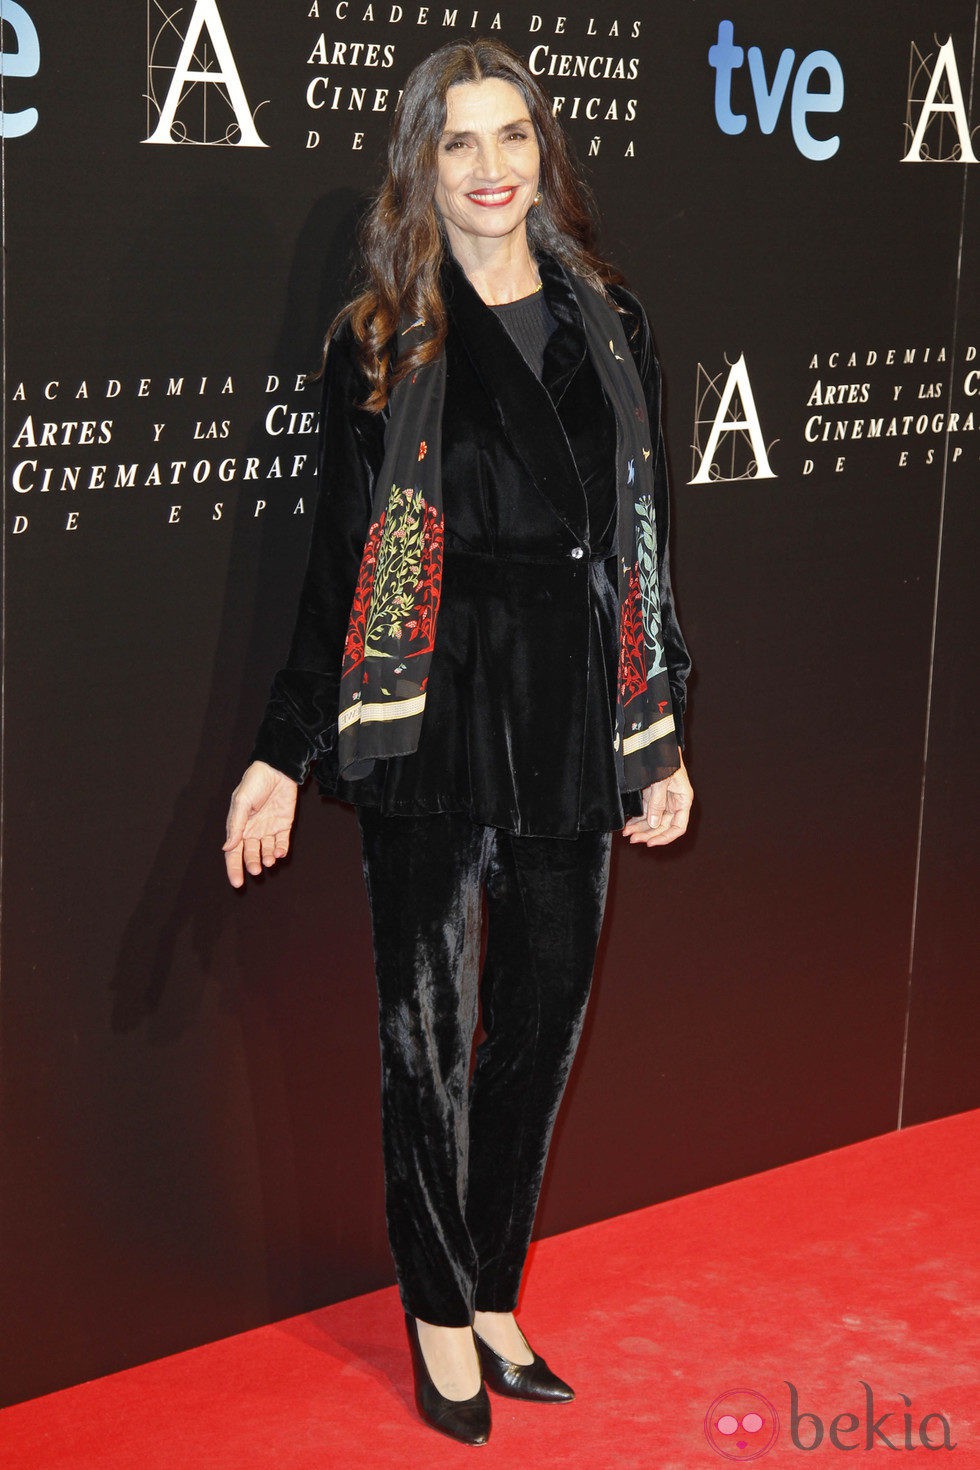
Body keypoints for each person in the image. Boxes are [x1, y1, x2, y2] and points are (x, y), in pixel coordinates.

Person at [223, 37, 693, 1447]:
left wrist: (658, 739)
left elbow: (649, 544)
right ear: (421, 167)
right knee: (423, 1037)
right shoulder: (383, 339)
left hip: (570, 717)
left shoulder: (613, 321)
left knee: (540, 1026)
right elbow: (337, 561)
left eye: (513, 139)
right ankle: (437, 1312)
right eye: (459, 144)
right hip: (424, 711)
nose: (491, 170)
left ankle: (494, 1287)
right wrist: (282, 748)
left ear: (546, 156)